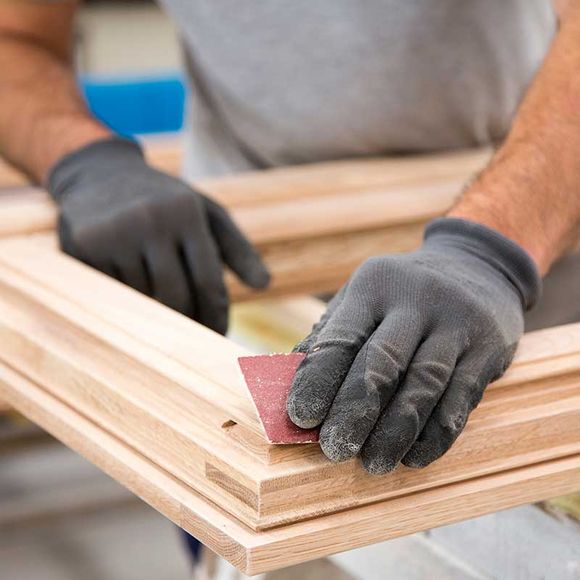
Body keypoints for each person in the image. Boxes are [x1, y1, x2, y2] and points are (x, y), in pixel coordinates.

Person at [1, 0, 579, 575]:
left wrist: (492, 249)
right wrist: (85, 159)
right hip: (246, 289)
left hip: (521, 259)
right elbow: (13, 36)